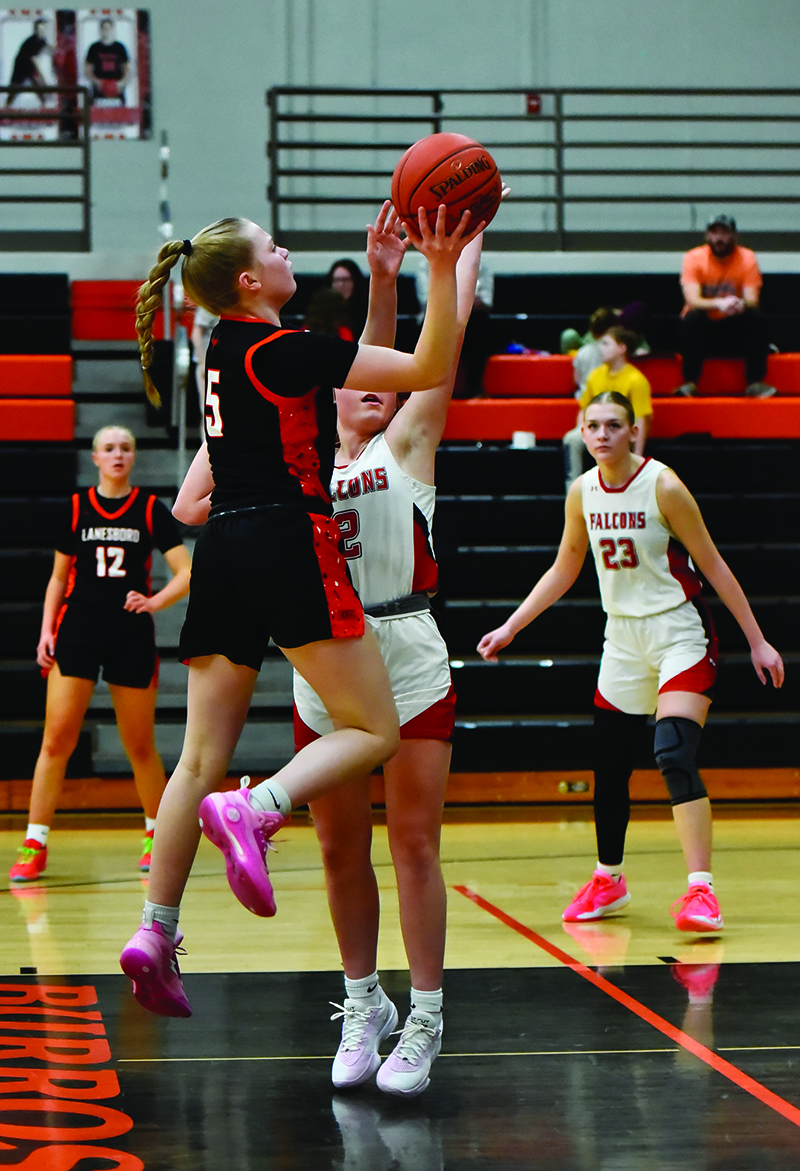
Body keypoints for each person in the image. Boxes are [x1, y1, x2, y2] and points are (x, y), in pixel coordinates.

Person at [119, 199, 484, 1020]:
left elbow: (188, 507)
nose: (290, 253)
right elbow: (423, 366)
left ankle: (155, 924)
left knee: (195, 758)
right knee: (375, 733)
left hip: (223, 554)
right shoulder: (285, 349)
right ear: (252, 279)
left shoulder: (221, 347)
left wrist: (385, 278)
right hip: (289, 538)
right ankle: (261, 806)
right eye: (274, 246)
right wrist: (438, 259)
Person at [478, 391, 784, 932]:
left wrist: (758, 640)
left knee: (672, 752)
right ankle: (608, 878)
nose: (602, 435)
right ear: (581, 430)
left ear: (633, 430)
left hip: (678, 633)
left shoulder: (662, 484)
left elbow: (712, 562)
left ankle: (701, 892)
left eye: (613, 425)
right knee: (610, 766)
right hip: (621, 639)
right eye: (592, 425)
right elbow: (563, 568)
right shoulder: (582, 492)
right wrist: (510, 626)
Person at [297, 232, 483, 1098]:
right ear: (330, 390)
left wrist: (451, 257)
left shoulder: (405, 449)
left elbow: (443, 339)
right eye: (362, 377)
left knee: (413, 843)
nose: (381, 387)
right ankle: (361, 1001)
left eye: (391, 378)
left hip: (407, 651)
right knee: (339, 848)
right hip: (327, 657)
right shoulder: (298, 462)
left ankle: (427, 1015)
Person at [8, 426, 191, 883]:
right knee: (56, 740)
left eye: (125, 448)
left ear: (133, 457)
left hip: (129, 632)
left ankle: (157, 835)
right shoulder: (75, 508)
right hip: (78, 630)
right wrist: (45, 630)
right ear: (95, 458)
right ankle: (34, 843)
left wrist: (155, 602)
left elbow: (188, 571)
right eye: (109, 448)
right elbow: (57, 578)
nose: (118, 455)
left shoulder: (150, 509)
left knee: (140, 745)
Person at [675, 215, 775, 398]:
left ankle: (755, 382)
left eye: (724, 233)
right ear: (707, 236)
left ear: (734, 236)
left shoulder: (747, 258)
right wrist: (718, 304)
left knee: (756, 318)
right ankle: (689, 382)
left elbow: (752, 300)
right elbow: (692, 299)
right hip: (704, 329)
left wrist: (738, 304)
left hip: (733, 327)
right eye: (714, 233)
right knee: (691, 318)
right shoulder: (693, 257)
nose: (718, 238)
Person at [562, 325, 652, 492]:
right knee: (571, 439)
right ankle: (573, 490)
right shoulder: (595, 375)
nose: (600, 348)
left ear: (621, 348)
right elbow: (584, 409)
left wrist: (638, 456)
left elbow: (640, 419)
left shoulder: (636, 379)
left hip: (619, 431)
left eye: (606, 344)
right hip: (595, 428)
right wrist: (582, 431)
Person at [5, 18, 51, 107]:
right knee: (14, 89)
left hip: (30, 68)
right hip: (21, 67)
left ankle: (45, 106)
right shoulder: (32, 41)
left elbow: (49, 49)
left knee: (39, 89)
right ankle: (6, 109)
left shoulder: (41, 40)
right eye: (40, 28)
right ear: (35, 29)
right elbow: (33, 59)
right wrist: (42, 76)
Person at [84, 17, 129, 104]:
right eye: (104, 28)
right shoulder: (94, 48)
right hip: (98, 91)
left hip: (117, 90)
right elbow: (88, 69)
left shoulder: (120, 48)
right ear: (100, 30)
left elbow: (127, 68)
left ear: (113, 30)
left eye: (108, 28)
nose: (106, 31)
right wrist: (98, 83)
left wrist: (121, 83)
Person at [326, 258, 369, 339]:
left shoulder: (366, 313)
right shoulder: (323, 314)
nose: (341, 285)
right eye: (337, 280)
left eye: (345, 280)